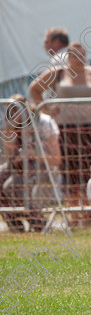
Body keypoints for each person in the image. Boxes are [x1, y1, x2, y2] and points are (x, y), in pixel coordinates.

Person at [29, 43, 91, 222]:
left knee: (88, 170)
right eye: (75, 55)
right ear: (68, 57)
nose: (79, 58)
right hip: (65, 130)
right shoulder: (59, 73)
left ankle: (88, 213)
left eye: (82, 54)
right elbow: (35, 89)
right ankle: (74, 215)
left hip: (89, 129)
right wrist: (46, 110)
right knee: (69, 172)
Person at [0, 95, 61, 232]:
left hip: (43, 167)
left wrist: (34, 155)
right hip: (19, 168)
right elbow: (9, 156)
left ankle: (39, 224)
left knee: (11, 185)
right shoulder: (12, 127)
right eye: (13, 111)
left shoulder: (45, 122)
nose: (17, 114)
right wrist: (12, 128)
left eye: (20, 109)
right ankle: (16, 226)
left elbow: (56, 159)